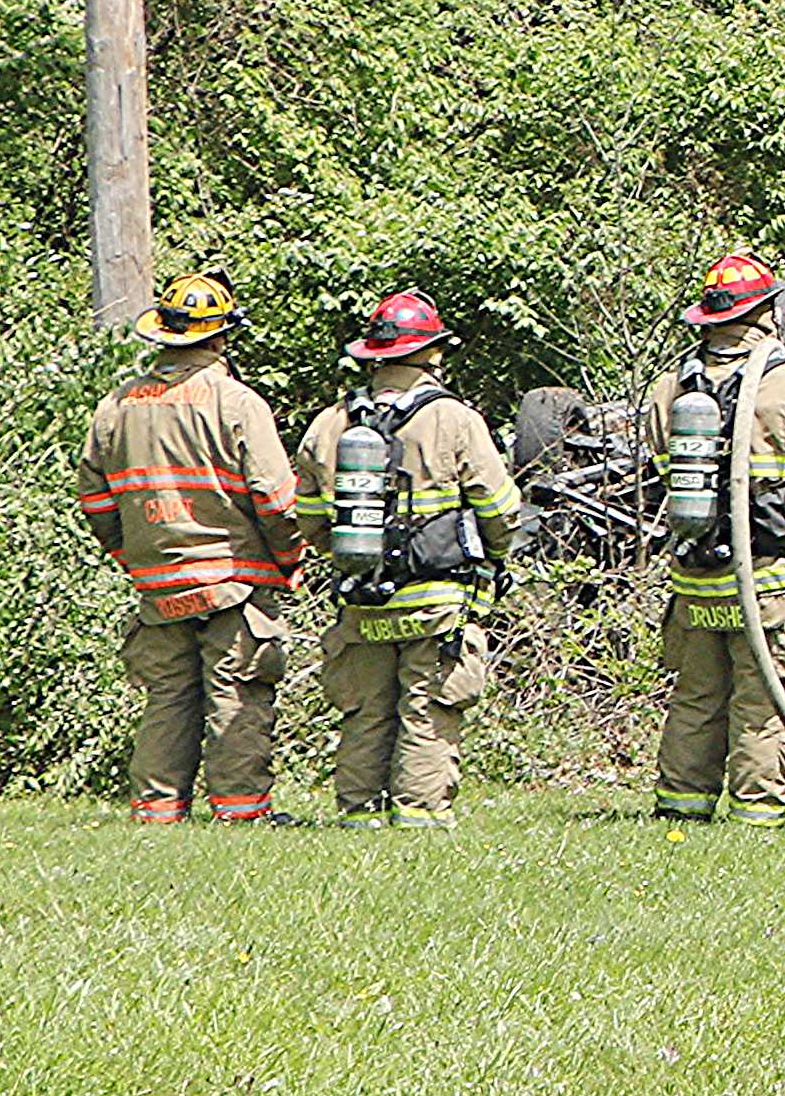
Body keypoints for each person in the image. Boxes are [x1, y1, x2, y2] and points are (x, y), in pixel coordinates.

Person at [643, 250, 785, 829]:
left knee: (695, 696)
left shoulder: (671, 390)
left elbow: (660, 474)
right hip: (774, 580)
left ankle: (682, 803)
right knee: (766, 698)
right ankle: (759, 810)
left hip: (696, 578)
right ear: (767, 312)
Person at [78, 269, 306, 824]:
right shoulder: (236, 402)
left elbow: (95, 500)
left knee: (168, 698)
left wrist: (132, 558)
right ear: (222, 335)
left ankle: (157, 809)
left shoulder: (116, 407)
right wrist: (289, 558)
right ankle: (241, 811)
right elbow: (277, 500)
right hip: (234, 577)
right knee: (239, 693)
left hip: (157, 583)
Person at [294, 292, 518, 827]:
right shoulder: (453, 419)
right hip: (436, 598)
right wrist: (496, 557)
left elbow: (306, 516)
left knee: (365, 713)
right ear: (433, 355)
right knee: (428, 707)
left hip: (362, 594)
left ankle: (357, 815)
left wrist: (345, 557)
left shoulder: (331, 423)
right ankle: (420, 817)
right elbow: (500, 507)